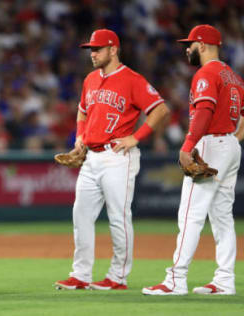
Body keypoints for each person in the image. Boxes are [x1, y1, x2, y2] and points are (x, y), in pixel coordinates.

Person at [54, 29, 170, 291]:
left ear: (113, 50)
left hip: (118, 156)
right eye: (90, 49)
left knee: (118, 217)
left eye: (97, 49)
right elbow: (82, 112)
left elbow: (160, 109)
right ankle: (80, 275)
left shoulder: (132, 79)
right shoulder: (91, 79)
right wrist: (80, 139)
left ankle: (118, 277)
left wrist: (136, 137)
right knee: (80, 215)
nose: (92, 53)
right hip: (91, 157)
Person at [143, 25, 243, 296]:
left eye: (190, 44)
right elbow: (242, 117)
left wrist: (188, 145)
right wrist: (232, 142)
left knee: (190, 214)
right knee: (222, 217)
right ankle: (224, 280)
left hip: (210, 143)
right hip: (230, 144)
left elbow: (204, 111)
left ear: (203, 45)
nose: (187, 49)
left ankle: (176, 280)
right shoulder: (233, 76)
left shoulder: (206, 73)